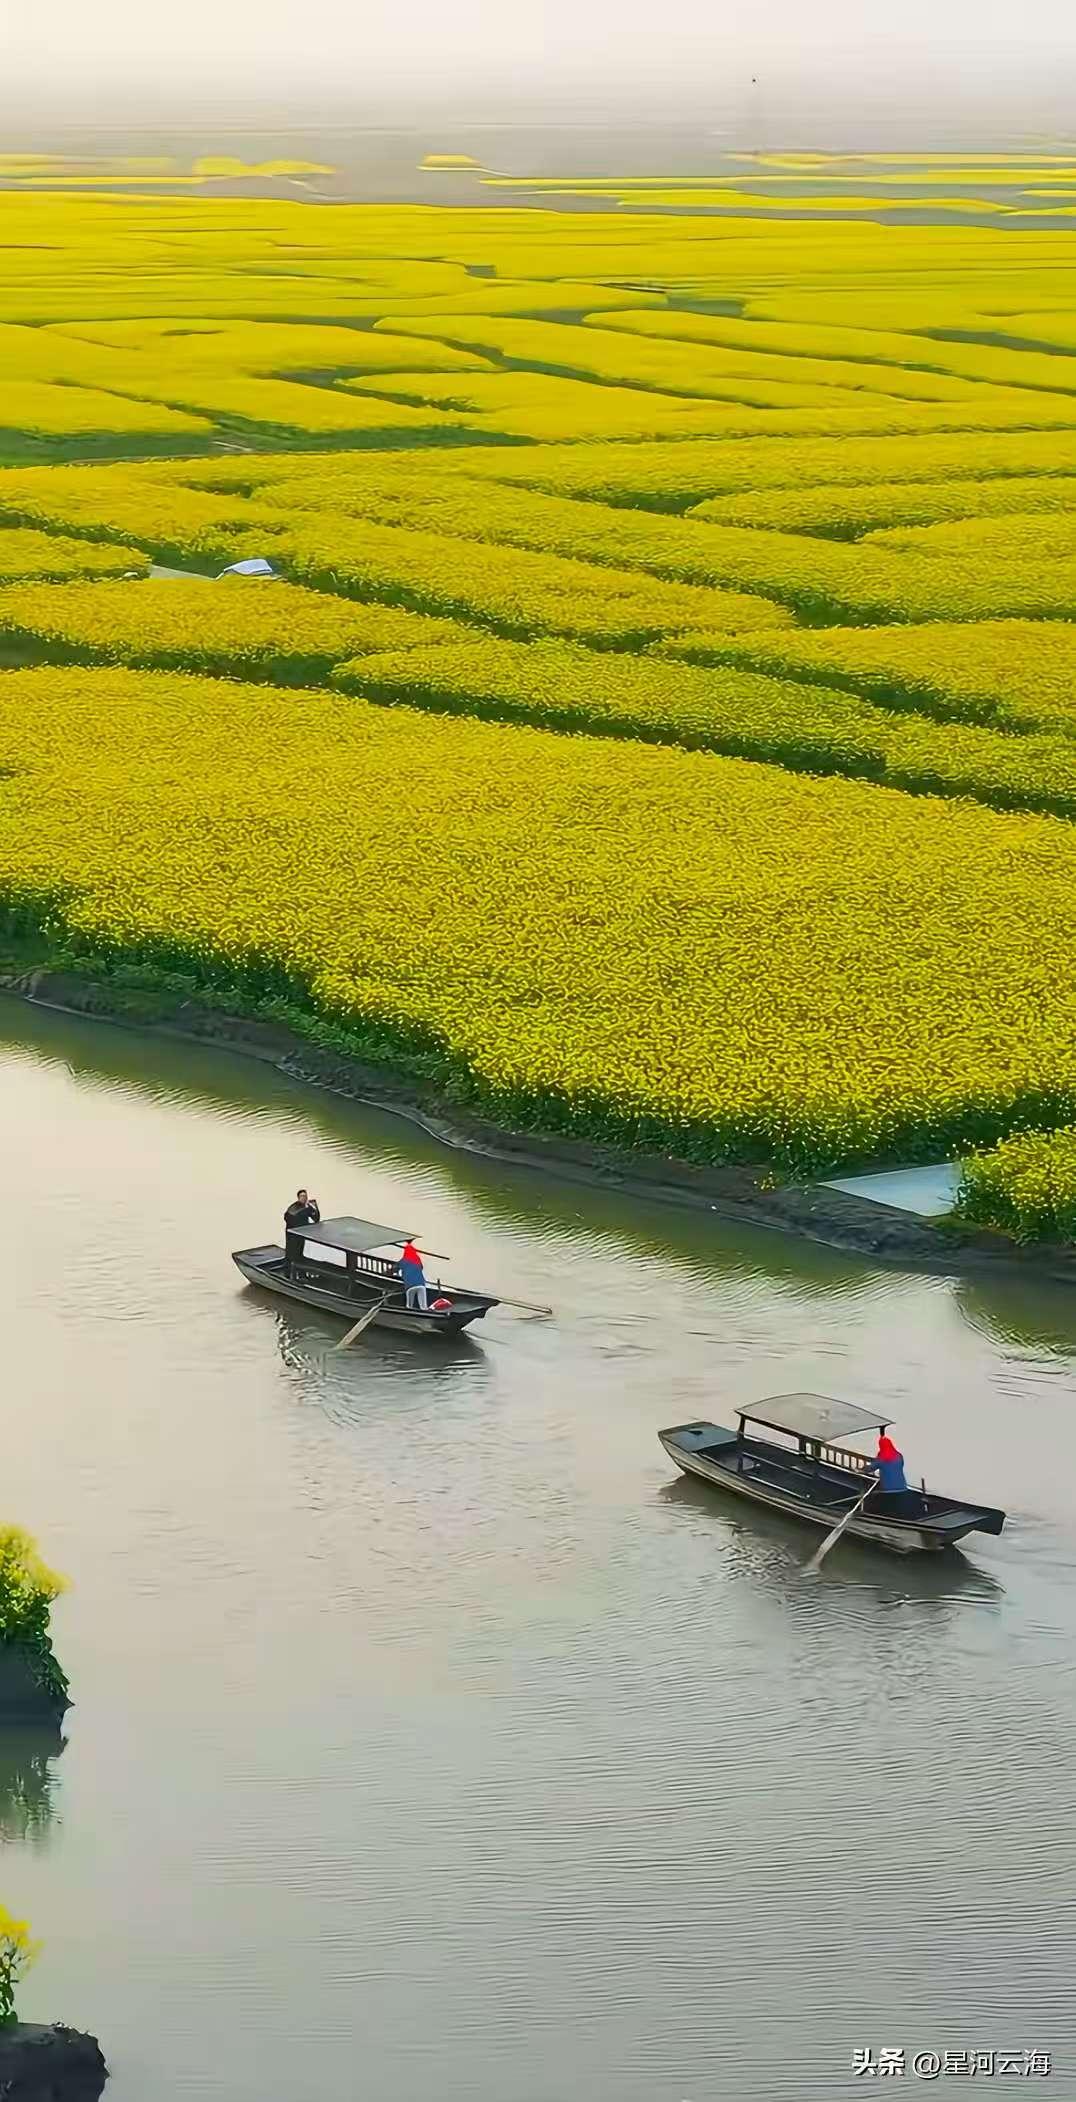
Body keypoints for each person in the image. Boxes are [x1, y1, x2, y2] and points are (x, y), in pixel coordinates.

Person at [870, 1432, 916, 1515]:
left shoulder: (881, 1458)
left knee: (885, 1507)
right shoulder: (899, 1456)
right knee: (900, 1509)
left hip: (887, 1490)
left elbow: (871, 1468)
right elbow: (900, 1465)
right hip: (902, 1487)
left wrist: (860, 1469)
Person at [284, 1188, 320, 1276]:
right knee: (291, 1253)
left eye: (305, 1196)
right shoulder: (294, 1207)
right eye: (302, 1196)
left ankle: (300, 1272)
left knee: (299, 1253)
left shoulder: (307, 1207)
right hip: (292, 1236)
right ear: (298, 1197)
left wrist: (315, 1208)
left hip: (301, 1235)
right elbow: (289, 1217)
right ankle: (288, 1273)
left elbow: (316, 1219)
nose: (304, 1198)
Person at [399, 1239, 429, 1312]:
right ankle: (425, 1315)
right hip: (421, 1285)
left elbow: (395, 1268)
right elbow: (421, 1267)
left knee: (409, 1306)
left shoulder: (403, 1261)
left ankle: (409, 1315)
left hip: (410, 1286)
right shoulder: (417, 1259)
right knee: (423, 1307)